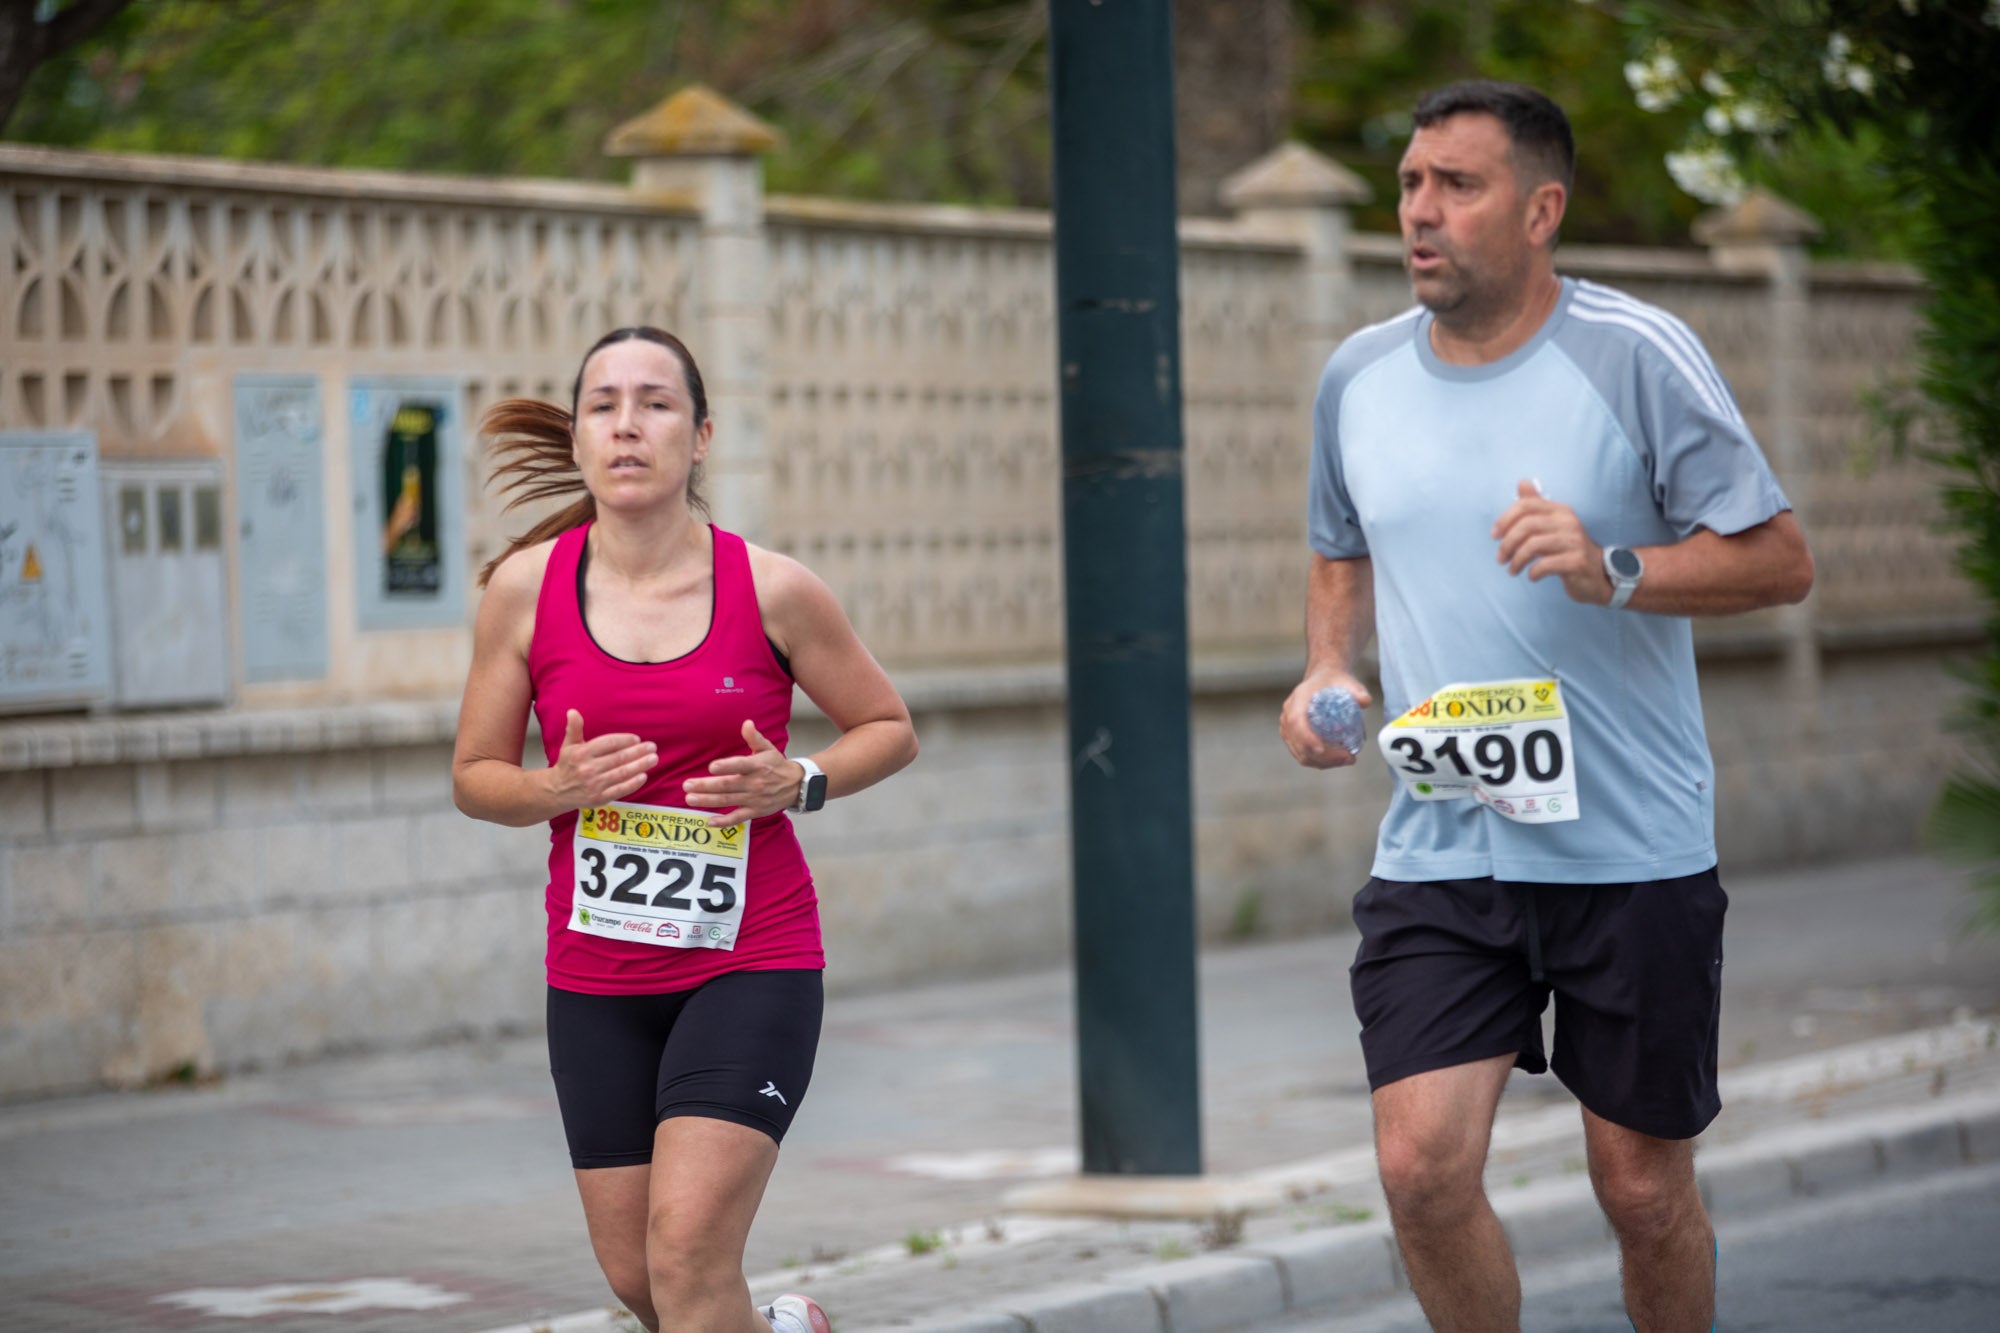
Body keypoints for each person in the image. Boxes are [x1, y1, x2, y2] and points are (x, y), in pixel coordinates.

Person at [1280, 81, 1813, 1332]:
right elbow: (1338, 542)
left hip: (1629, 850)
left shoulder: (1633, 354)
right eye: (1410, 184)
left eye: (1455, 186)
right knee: (1419, 1170)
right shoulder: (1356, 375)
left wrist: (1611, 566)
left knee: (1637, 1188)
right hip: (1443, 842)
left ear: (1539, 209)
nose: (1419, 212)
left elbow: (1778, 559)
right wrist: (1327, 670)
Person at [453, 327, 917, 1333]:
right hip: (596, 976)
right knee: (641, 1281)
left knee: (688, 1248)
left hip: (749, 958)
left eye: (656, 403)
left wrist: (798, 780)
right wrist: (555, 787)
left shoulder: (775, 588)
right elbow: (475, 776)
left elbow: (888, 728)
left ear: (700, 435)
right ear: (577, 437)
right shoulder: (525, 592)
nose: (628, 423)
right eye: (603, 403)